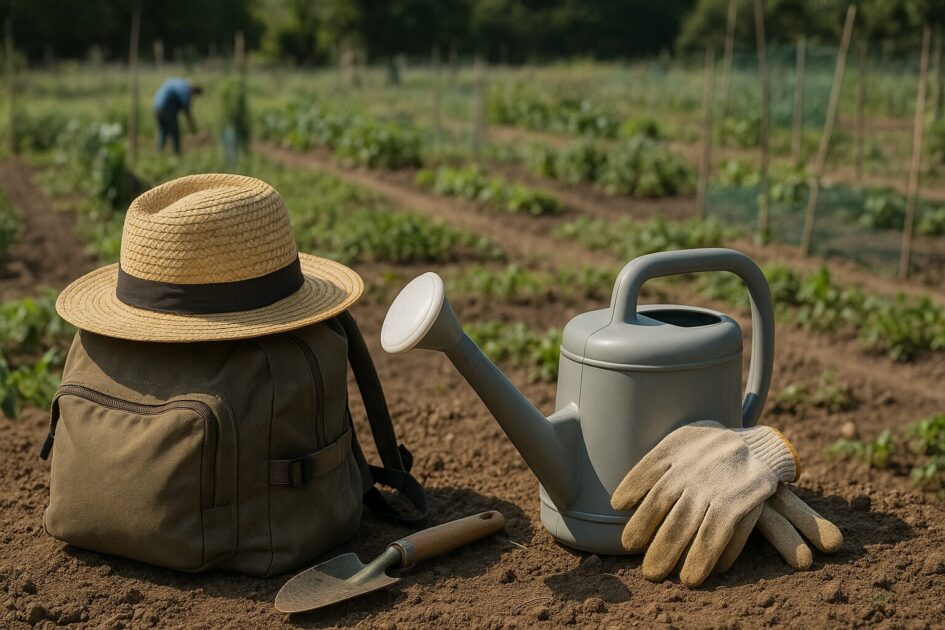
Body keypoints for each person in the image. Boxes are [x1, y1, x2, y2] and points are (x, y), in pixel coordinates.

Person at [152, 78, 202, 155]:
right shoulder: (184, 91)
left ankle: (158, 152)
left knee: (163, 130)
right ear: (193, 91)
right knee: (175, 132)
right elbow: (187, 112)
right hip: (165, 108)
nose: (192, 97)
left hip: (156, 107)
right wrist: (193, 129)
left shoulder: (180, 84)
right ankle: (177, 153)